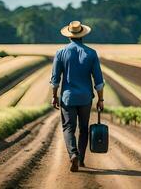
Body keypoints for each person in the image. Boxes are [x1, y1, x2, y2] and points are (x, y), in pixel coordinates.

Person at [50, 21, 104, 172]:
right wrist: (100, 99)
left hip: (68, 98)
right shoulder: (91, 53)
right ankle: (80, 160)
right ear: (82, 35)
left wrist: (54, 96)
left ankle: (73, 154)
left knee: (68, 127)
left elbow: (55, 80)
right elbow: (98, 81)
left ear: (69, 36)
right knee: (84, 128)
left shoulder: (60, 53)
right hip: (86, 98)